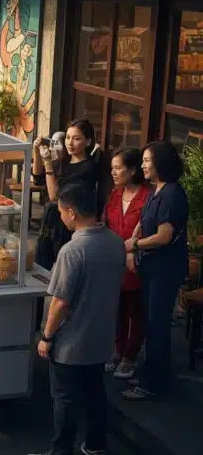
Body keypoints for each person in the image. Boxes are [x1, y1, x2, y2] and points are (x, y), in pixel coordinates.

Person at [34, 183, 125, 455]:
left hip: (71, 343)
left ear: (71, 212)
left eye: (61, 211)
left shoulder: (72, 251)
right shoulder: (116, 243)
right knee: (96, 393)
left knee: (65, 399)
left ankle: (61, 450)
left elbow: (60, 302)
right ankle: (96, 445)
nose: (61, 217)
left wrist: (46, 337)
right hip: (102, 338)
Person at [122, 141, 189, 401]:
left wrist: (135, 244)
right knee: (148, 321)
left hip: (165, 269)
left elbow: (164, 235)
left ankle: (154, 383)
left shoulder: (172, 194)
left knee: (157, 324)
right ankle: (150, 372)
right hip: (149, 267)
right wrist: (133, 244)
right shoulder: (155, 190)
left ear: (160, 163)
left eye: (147, 160)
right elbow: (143, 220)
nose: (143, 165)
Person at [103, 149, 150, 380]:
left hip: (138, 263)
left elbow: (147, 229)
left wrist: (133, 247)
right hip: (115, 261)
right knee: (117, 308)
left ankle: (130, 357)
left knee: (135, 311)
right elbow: (106, 223)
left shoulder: (147, 197)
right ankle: (118, 351)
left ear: (132, 170)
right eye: (112, 167)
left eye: (118, 167)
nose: (113, 172)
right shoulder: (114, 195)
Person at [32, 119, 102, 270]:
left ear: (88, 141)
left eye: (77, 139)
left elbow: (55, 196)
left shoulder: (88, 169)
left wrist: (48, 162)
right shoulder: (63, 161)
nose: (70, 143)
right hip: (50, 219)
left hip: (66, 223)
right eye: (68, 138)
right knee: (40, 266)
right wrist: (36, 151)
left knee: (62, 269)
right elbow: (37, 178)